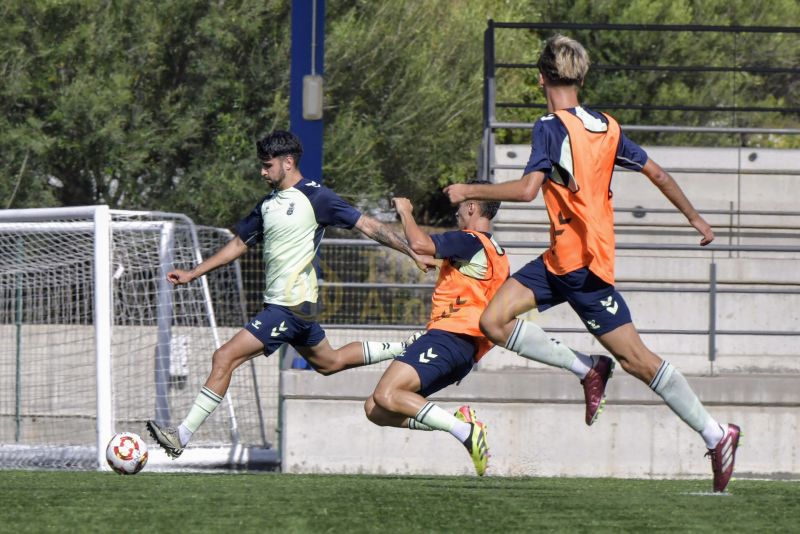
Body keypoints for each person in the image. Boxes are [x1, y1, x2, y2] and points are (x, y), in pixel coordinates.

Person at [444, 35, 740, 492]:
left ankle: (716, 434)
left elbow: (526, 190)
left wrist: (469, 191)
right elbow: (657, 173)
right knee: (494, 320)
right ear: (581, 77)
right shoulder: (607, 126)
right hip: (559, 260)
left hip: (584, 270)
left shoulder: (550, 125)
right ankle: (588, 369)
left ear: (541, 77)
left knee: (638, 360)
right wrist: (695, 217)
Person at [147, 130, 434, 459]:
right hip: (288, 307)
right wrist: (194, 272)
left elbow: (368, 225)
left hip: (290, 306)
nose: (262, 171)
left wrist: (411, 252)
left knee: (224, 357)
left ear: (288, 162)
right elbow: (239, 244)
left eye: (267, 165)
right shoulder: (267, 205)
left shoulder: (316, 197)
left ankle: (181, 436)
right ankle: (406, 347)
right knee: (331, 362)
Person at [363, 185, 510, 476]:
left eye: (460, 205)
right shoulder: (495, 252)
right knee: (376, 409)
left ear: (472, 208)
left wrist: (405, 212)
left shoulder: (470, 241)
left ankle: (463, 431)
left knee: (386, 393)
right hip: (462, 350)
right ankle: (457, 423)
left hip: (450, 337)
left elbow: (420, 244)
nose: (456, 211)